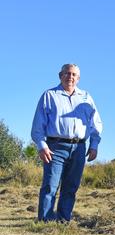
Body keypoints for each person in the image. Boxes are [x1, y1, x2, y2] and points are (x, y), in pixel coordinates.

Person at [30, 64, 103, 222]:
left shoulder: (86, 97)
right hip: (55, 146)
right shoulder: (49, 95)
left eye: (73, 74)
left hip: (79, 147)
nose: (70, 77)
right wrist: (42, 146)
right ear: (60, 75)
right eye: (67, 73)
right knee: (50, 185)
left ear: (78, 78)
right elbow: (38, 126)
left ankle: (64, 220)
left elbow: (95, 124)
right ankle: (46, 221)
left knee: (71, 186)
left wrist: (94, 145)